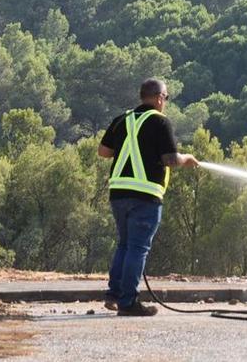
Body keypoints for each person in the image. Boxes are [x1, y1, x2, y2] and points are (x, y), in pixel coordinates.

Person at [97, 78, 199, 316]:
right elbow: (171, 161)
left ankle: (113, 295)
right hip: (146, 195)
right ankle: (128, 302)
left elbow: (103, 152)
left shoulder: (122, 119)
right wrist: (187, 158)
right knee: (137, 248)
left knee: (124, 244)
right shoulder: (160, 122)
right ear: (160, 97)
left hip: (118, 193)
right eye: (166, 97)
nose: (166, 102)